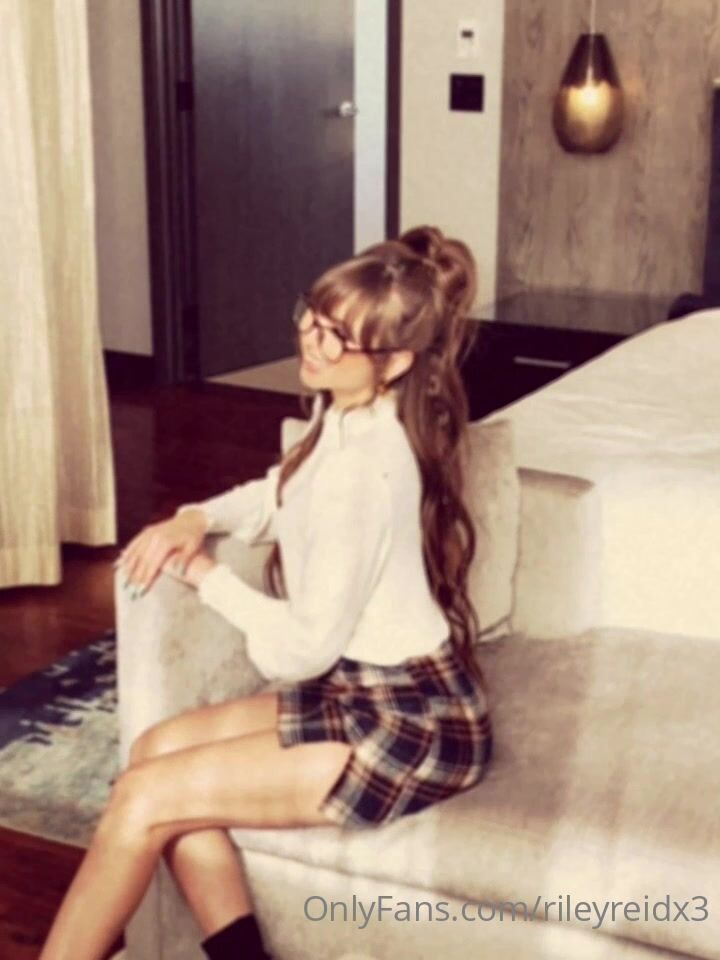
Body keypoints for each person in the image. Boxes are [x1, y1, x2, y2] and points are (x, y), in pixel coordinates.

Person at [38, 225, 493, 960]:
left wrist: (207, 576)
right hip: (363, 688)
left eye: (338, 338)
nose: (312, 342)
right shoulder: (343, 413)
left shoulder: (365, 471)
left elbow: (302, 650)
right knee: (152, 752)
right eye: (313, 316)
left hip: (413, 722)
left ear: (395, 362)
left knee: (146, 796)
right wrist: (197, 517)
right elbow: (282, 490)